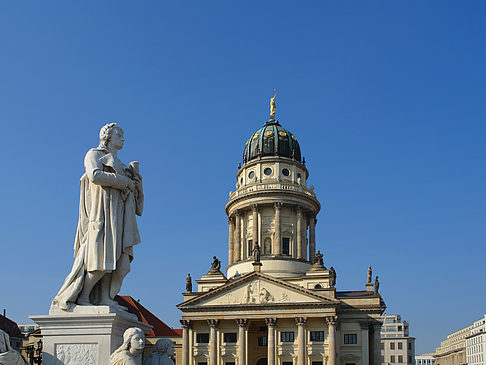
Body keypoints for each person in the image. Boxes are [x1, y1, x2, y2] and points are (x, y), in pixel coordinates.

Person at [52, 123, 144, 310]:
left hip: (120, 216)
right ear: (108, 137)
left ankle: (104, 297)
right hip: (102, 213)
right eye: (120, 135)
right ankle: (84, 295)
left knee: (118, 260)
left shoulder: (123, 167)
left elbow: (138, 203)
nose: (123, 138)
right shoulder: (94, 154)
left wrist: (136, 180)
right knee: (101, 257)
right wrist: (125, 182)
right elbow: (94, 175)